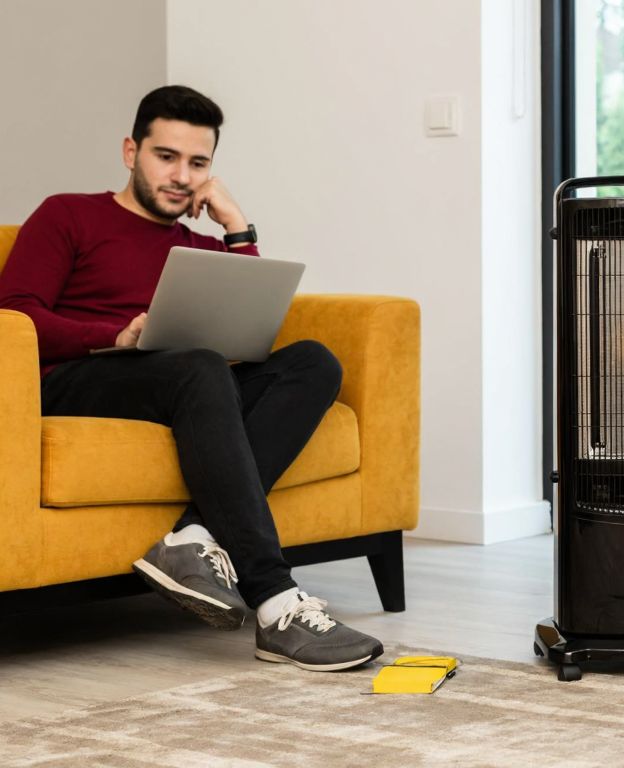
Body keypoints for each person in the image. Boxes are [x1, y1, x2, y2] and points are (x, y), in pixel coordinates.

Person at [0, 85, 383, 672]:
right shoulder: (68, 213)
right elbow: (16, 313)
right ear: (131, 151)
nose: (181, 175)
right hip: (77, 378)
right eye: (166, 156)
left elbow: (249, 328)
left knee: (313, 362)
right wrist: (118, 336)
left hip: (178, 380)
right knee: (199, 364)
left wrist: (237, 227)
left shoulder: (200, 247)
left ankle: (191, 537)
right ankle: (276, 602)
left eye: (197, 163)